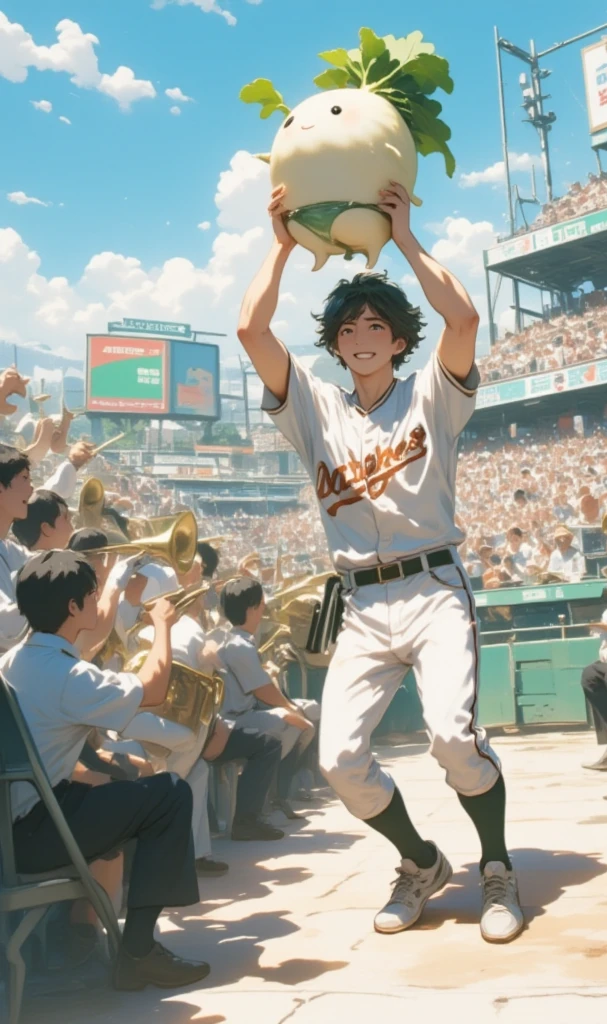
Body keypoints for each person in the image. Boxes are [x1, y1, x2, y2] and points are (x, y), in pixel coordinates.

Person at [237, 179, 522, 943]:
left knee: (451, 739)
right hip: (361, 603)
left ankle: (496, 864)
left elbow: (462, 316)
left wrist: (402, 238)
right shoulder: (314, 407)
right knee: (338, 759)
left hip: (433, 586)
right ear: (334, 343)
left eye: (378, 324)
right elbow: (250, 331)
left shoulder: (432, 394)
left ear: (400, 338)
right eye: (350, 326)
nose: (363, 334)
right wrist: (281, 245)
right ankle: (421, 860)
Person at [6, 550, 209, 990]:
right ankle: (138, 953)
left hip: (15, 827)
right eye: (93, 597)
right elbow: (153, 689)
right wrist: (161, 626)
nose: (99, 606)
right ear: (74, 608)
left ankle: (85, 933)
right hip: (34, 835)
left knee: (124, 789)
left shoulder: (13, 663)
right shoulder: (67, 675)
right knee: (170, 793)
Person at [218, 576, 314, 830]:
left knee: (302, 717)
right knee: (298, 724)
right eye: (261, 603)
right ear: (251, 609)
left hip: (243, 713)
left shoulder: (237, 641)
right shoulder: (238, 645)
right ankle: (274, 793)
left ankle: (272, 790)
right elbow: (263, 691)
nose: (264, 608)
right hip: (234, 719)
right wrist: (290, 709)